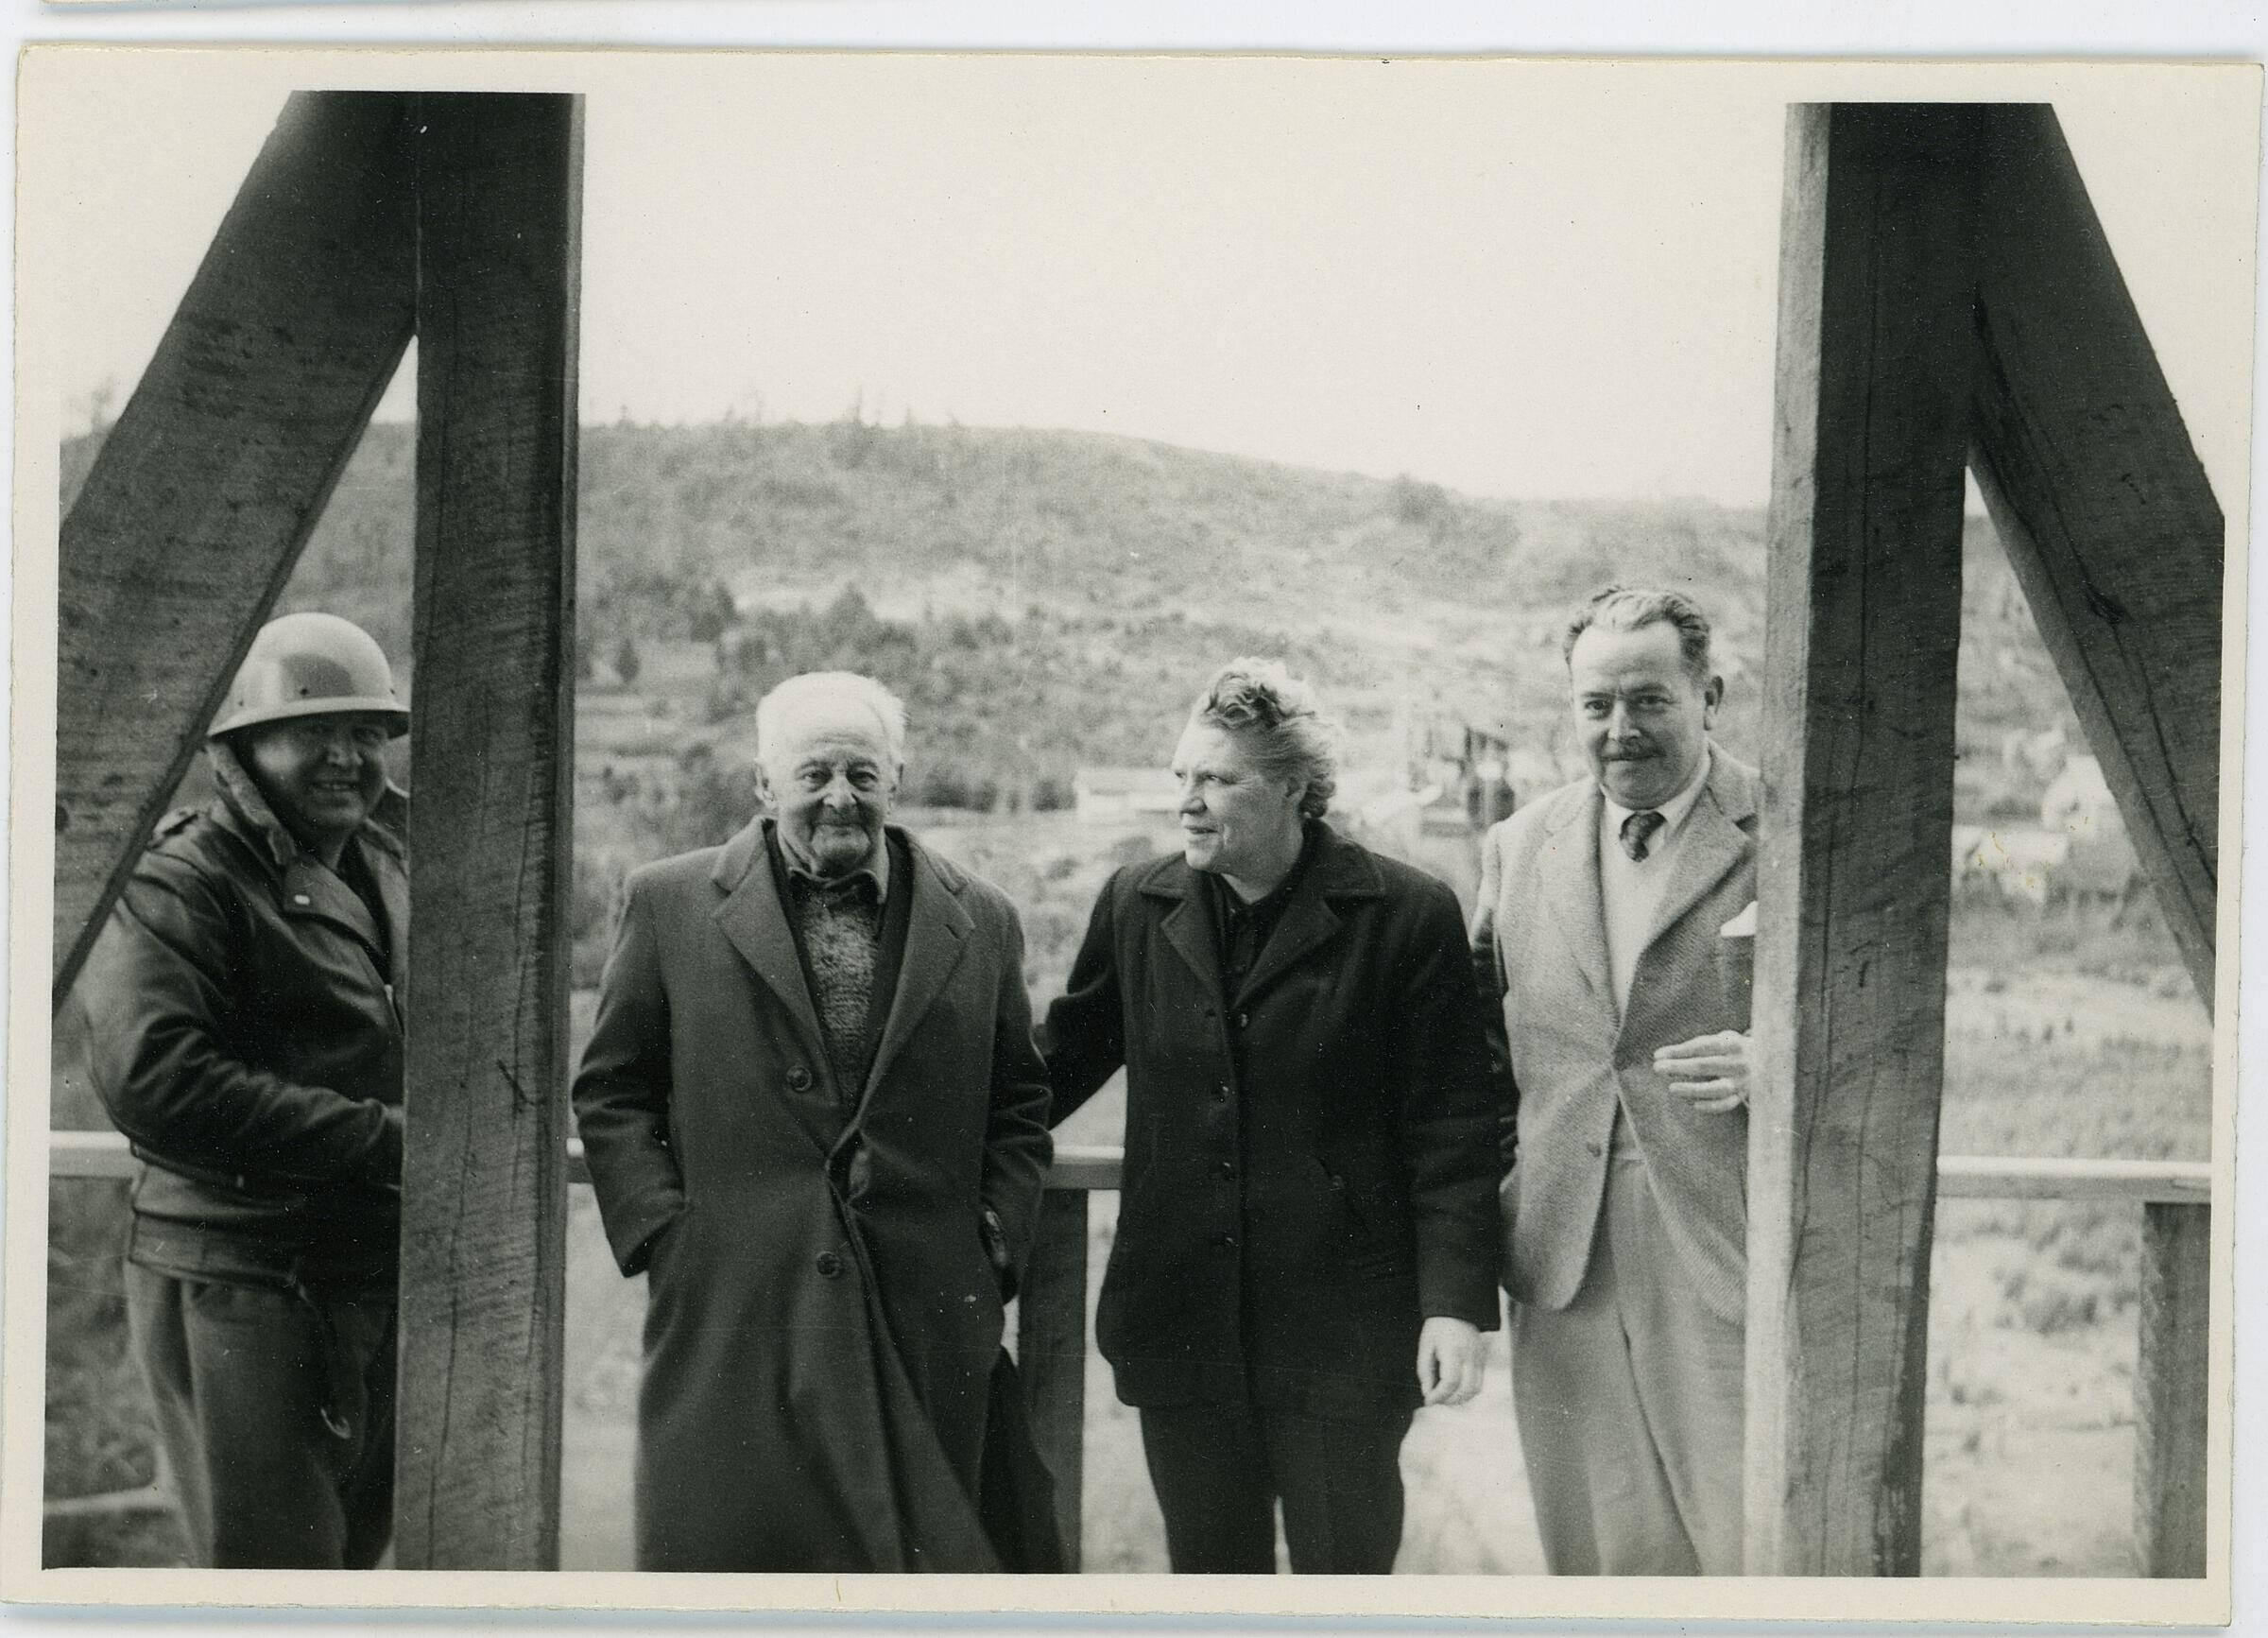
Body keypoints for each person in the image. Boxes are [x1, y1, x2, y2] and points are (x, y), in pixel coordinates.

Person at [572, 671, 1054, 1572]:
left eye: (864, 774)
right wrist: (669, 1239)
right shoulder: (668, 903)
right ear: (765, 784)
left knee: (915, 1581)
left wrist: (993, 1241)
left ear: (896, 783)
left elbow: (1019, 1105)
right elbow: (612, 1088)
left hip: (923, 1314)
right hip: (736, 1313)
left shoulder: (983, 919)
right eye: (814, 772)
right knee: (734, 1571)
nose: (841, 796)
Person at [1045, 658, 1506, 1575]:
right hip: (1181, 1327)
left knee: (1346, 1584)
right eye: (1182, 776)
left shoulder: (1407, 915)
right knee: (1212, 1589)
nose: (1188, 802)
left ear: (1294, 786)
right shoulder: (1137, 904)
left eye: (1216, 778)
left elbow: (1456, 1126)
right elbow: (1048, 1071)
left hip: (1344, 1337)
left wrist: (1454, 1303)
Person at [79, 611, 410, 1569]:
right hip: (241, 1282)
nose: (348, 757)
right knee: (269, 1579)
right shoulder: (182, 879)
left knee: (346, 1568)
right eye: (317, 730)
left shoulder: (386, 864)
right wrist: (385, 1138)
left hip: (359, 1271)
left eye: (366, 733)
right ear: (244, 745)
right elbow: (158, 1081)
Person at [1470, 585, 1756, 1576]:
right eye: (1596, 705)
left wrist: (1778, 1062)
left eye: (1650, 700)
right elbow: (1481, 1065)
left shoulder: (1795, 833)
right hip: (1562, 1254)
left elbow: (1876, 1029)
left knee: (1754, 1540)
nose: (1620, 729)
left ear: (1708, 693)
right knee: (1595, 1545)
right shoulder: (1516, 847)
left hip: (1726, 1249)